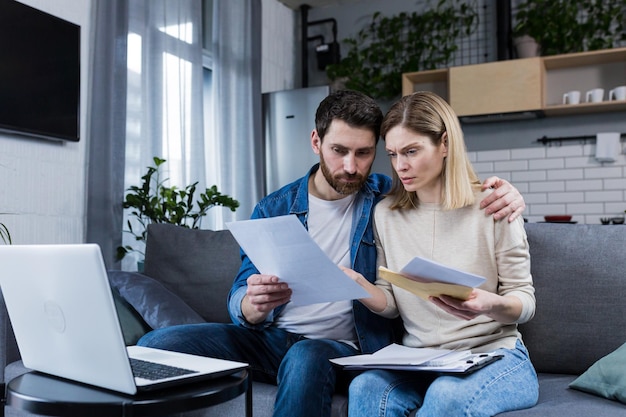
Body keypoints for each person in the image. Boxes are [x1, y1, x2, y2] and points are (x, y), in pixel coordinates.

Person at [138, 90, 527, 417]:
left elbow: (441, 191)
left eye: (364, 153)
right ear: (315, 142)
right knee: (157, 345)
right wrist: (251, 306)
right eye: (339, 150)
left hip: (341, 347)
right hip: (274, 338)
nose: (350, 166)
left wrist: (509, 192)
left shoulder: (383, 197)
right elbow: (241, 295)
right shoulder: (275, 207)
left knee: (306, 356)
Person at [343, 91, 538, 417]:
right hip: (422, 361)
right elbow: (391, 304)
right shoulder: (386, 213)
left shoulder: (493, 204)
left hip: (494, 356)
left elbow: (525, 302)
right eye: (392, 154)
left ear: (444, 144)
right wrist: (358, 285)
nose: (400, 166)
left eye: (411, 151)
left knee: (446, 395)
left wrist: (489, 304)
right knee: (365, 387)